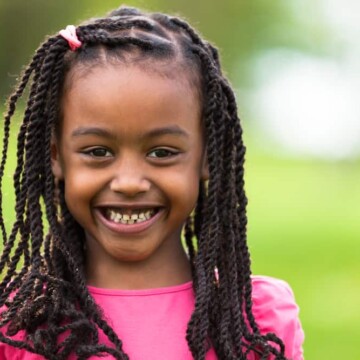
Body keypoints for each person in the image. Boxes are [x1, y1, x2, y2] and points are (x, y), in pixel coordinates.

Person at [0, 6, 304, 360]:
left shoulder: (254, 319)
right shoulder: (22, 324)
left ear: (207, 156)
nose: (129, 182)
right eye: (98, 151)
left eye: (161, 152)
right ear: (56, 156)